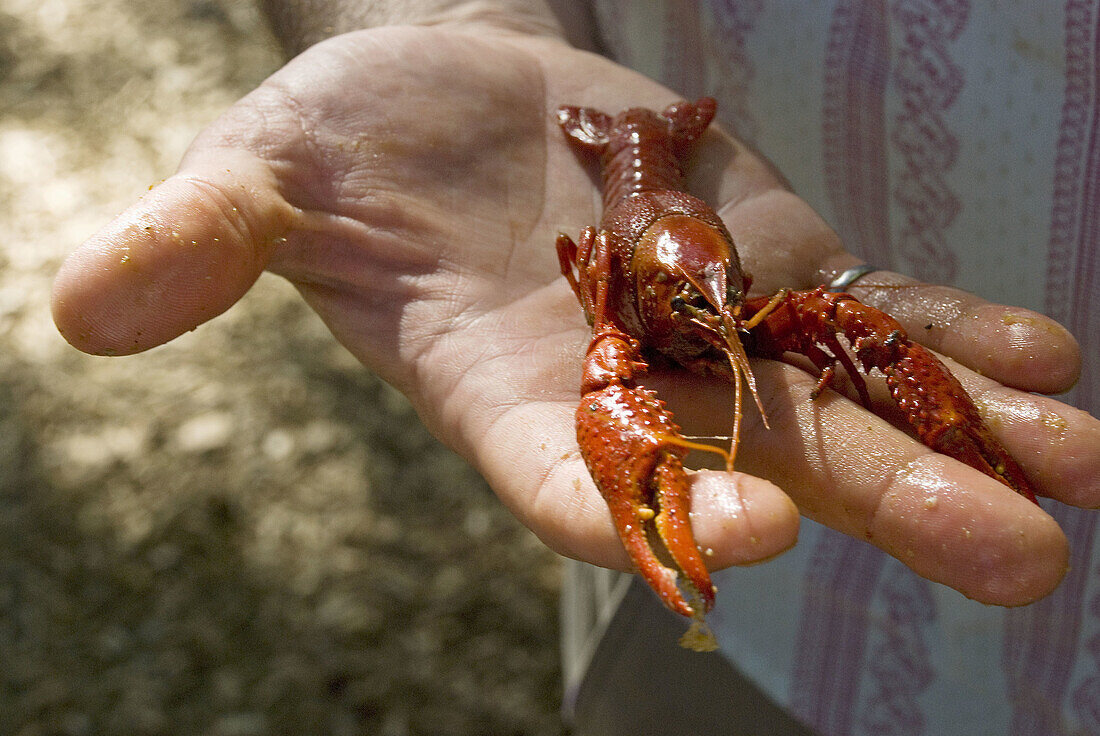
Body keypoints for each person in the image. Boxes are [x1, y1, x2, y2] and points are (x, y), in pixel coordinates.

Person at [50, 1, 1099, 733]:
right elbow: (611, 352)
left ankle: (977, 451)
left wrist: (806, 341)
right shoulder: (620, 292)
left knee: (857, 328)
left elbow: (841, 328)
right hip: (768, 647)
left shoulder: (730, 284)